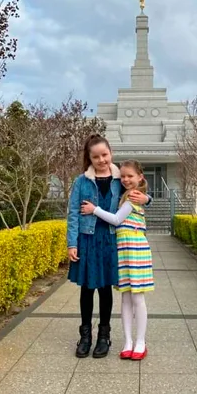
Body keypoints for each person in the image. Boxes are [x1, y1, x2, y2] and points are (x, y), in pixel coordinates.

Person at [67, 135, 150, 359]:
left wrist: (148, 199)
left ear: (110, 152)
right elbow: (73, 213)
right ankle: (85, 336)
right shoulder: (81, 182)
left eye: (105, 154)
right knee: (86, 289)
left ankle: (104, 336)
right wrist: (72, 243)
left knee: (105, 289)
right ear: (89, 158)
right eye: (96, 156)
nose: (101, 160)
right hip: (88, 238)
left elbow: (138, 189)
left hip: (111, 240)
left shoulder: (119, 179)